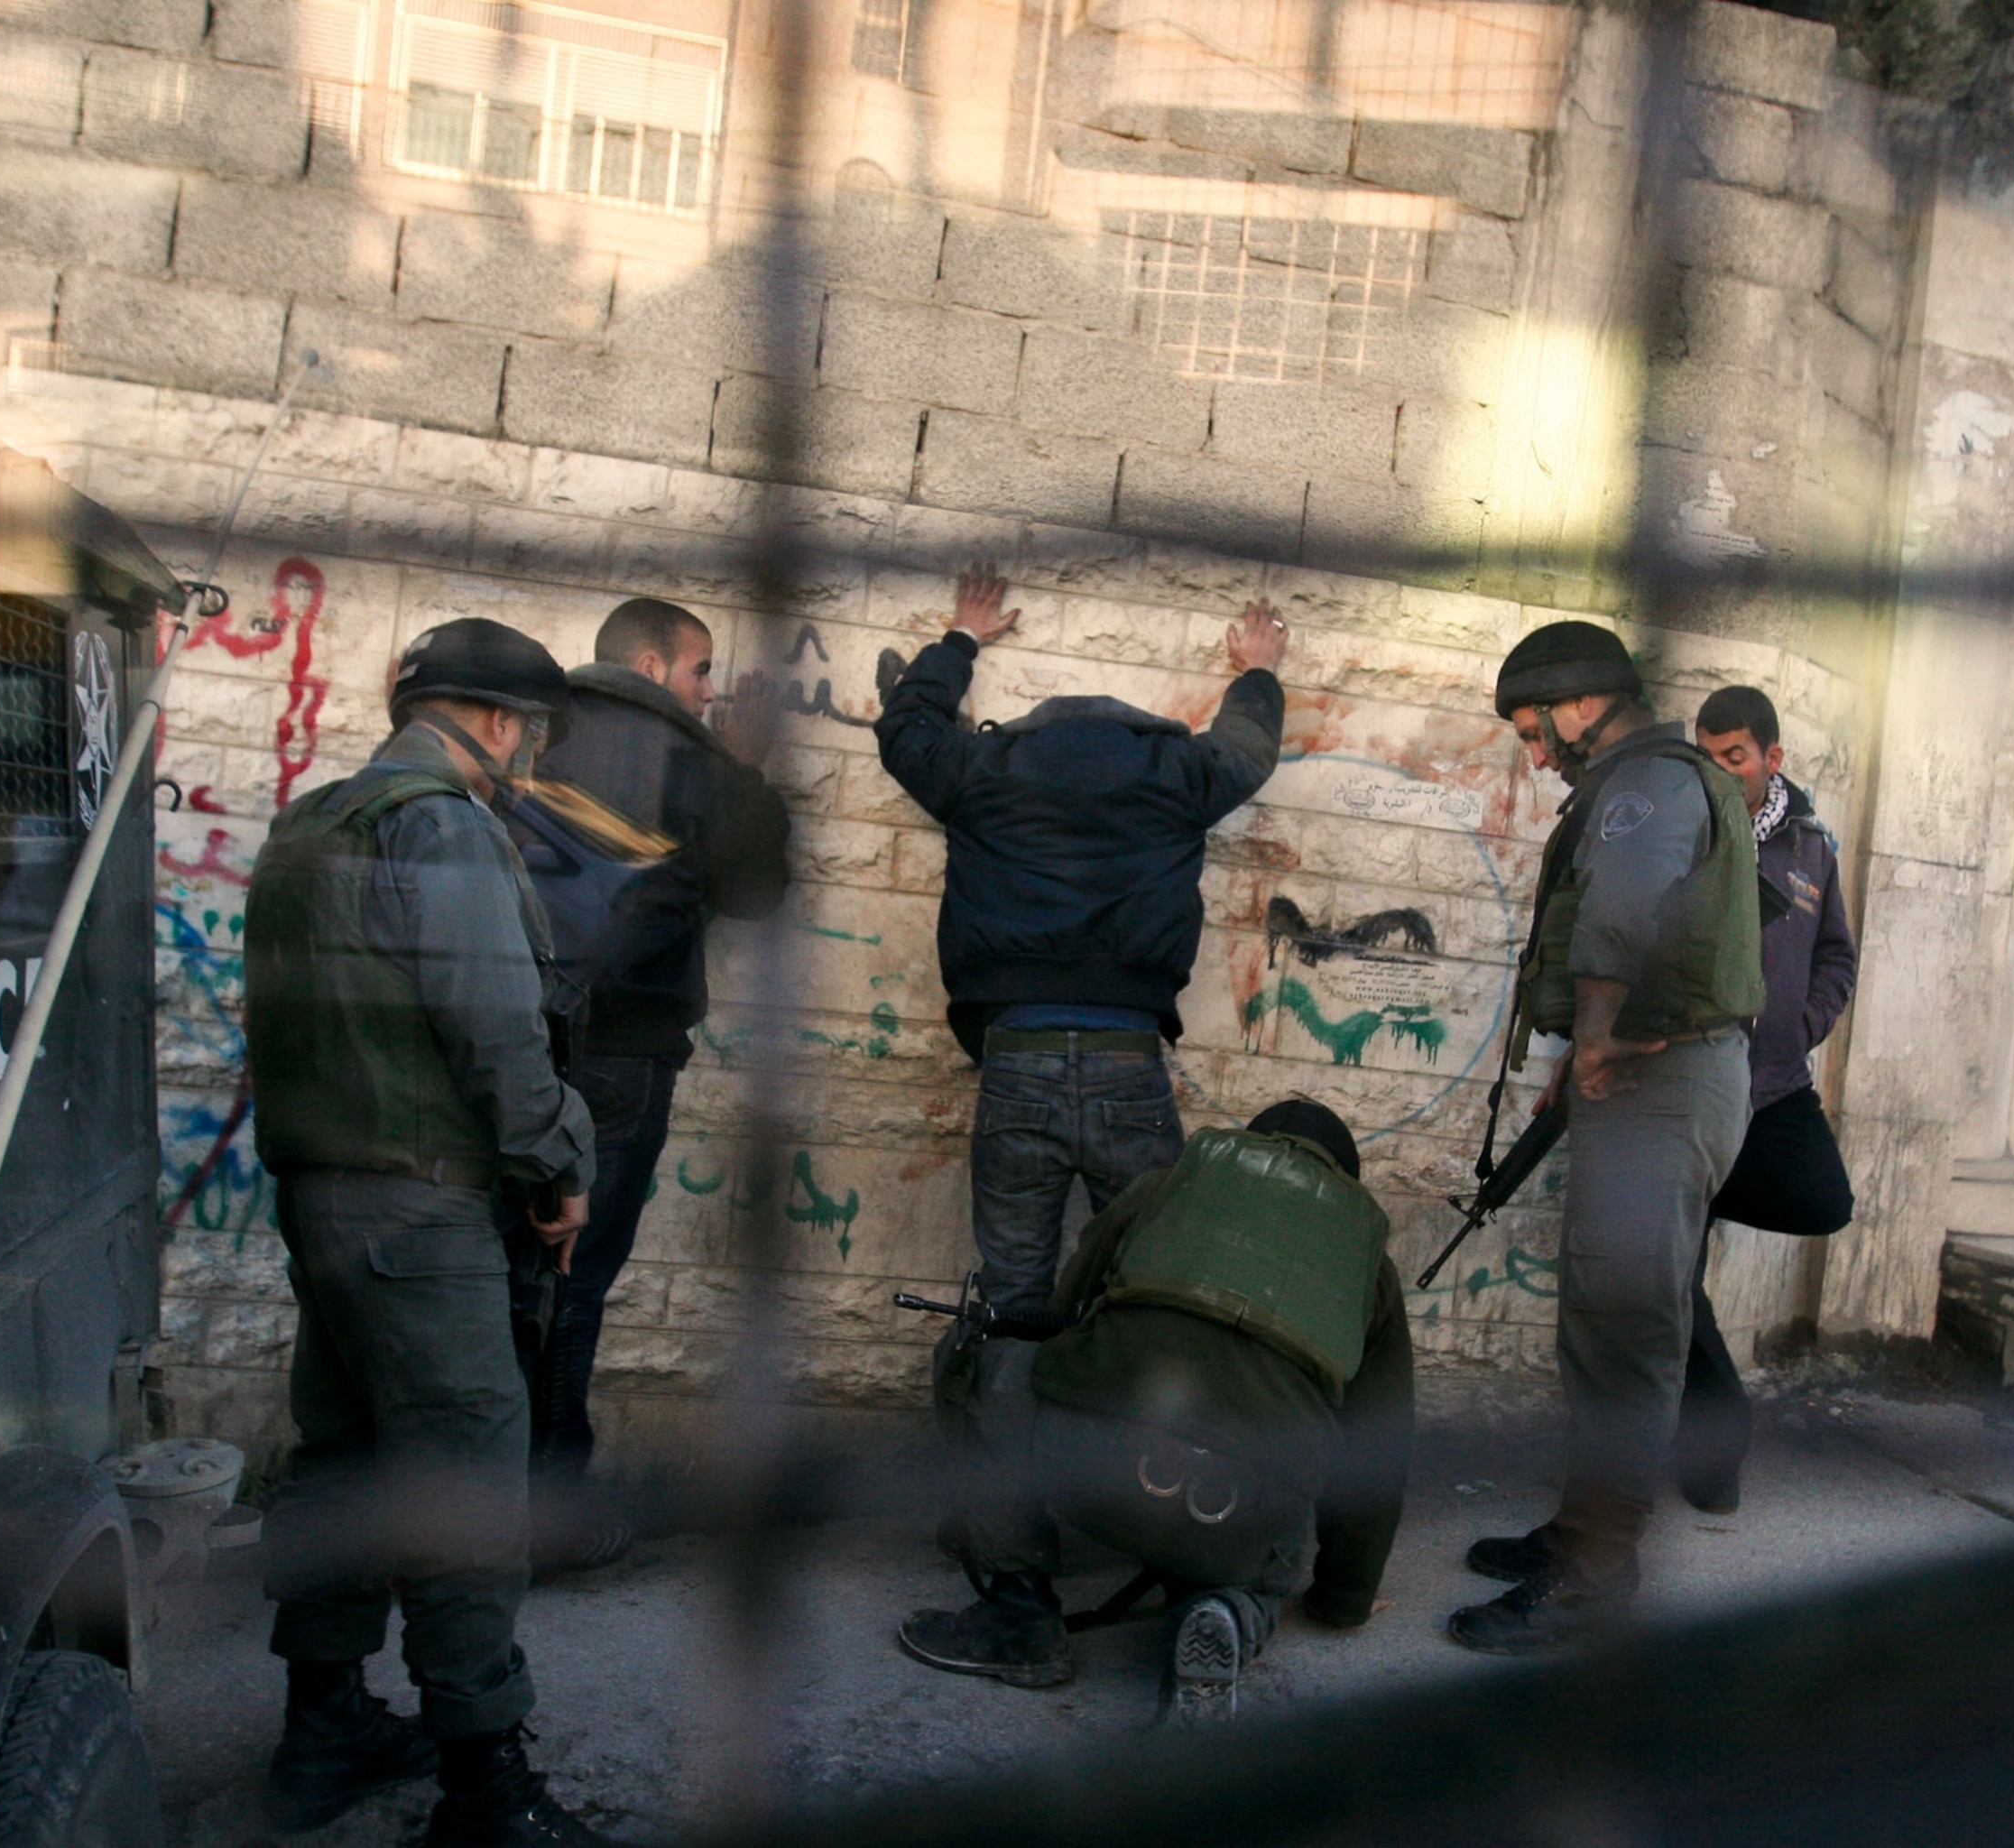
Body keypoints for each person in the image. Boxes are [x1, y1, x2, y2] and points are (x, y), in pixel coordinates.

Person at [245, 617, 627, 1847]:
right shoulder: (447, 825)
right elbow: (496, 1030)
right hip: (424, 1209)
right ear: (500, 724)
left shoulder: (314, 819)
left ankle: (324, 1733)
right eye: (531, 732)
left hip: (325, 1201)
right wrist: (559, 1165)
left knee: (345, 1468)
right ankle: (485, 1789)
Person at [1452, 620, 1763, 1655]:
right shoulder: (1646, 779)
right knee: (1600, 1320)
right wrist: (1572, 1071)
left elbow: (1625, 915)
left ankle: (1596, 1574)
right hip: (1647, 1077)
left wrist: (1589, 1040)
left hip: (1661, 1081)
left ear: (1581, 701)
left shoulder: (1646, 783)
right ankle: (1581, 1531)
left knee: (1626, 1328)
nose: (1535, 754)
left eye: (1535, 729)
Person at [898, 1100, 1412, 1723]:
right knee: (1246, 1551)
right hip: (1242, 1507)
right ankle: (1226, 1612)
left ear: (1247, 1150)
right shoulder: (1369, 1269)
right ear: (1342, 1185)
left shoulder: (1169, 1188)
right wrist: (1343, 1599)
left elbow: (1060, 1321)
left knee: (983, 1358)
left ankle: (1019, 1614)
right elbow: (1379, 1449)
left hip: (1100, 1470)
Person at [874, 560, 1287, 1321]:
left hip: (1016, 1059)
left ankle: (1001, 1430)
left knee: (1013, 1295)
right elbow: (1247, 747)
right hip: (1129, 1064)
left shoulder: (984, 768)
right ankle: (1109, 1437)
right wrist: (1258, 671)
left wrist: (960, 637)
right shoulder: (1175, 772)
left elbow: (905, 731)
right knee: (1144, 1290)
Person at [505, 596, 790, 1573]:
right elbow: (757, 891)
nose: (712, 693)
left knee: (499, 1269)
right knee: (573, 1281)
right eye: (703, 671)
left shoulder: (525, 729)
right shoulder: (697, 762)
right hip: (622, 1053)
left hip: (506, 1043)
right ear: (657, 663)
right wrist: (746, 766)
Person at [1673, 685, 1858, 1514]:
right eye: (1708, 756)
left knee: (1824, 1199)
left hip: (1774, 1085)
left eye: (1735, 757)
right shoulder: (1683, 827)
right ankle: (1712, 1444)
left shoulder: (1812, 847)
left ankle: (1694, 1193)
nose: (1720, 770)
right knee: (1670, 1267)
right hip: (1686, 1082)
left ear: (1772, 758)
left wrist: (1799, 1028)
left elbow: (1836, 959)